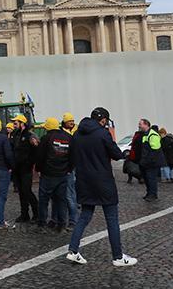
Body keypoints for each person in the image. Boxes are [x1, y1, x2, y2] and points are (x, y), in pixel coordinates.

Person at [66, 107, 137, 267]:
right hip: (103, 180)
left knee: (84, 215)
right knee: (111, 218)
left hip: (84, 180)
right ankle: (118, 257)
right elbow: (117, 154)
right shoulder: (102, 133)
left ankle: (73, 250)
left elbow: (71, 156)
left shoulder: (77, 134)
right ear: (103, 120)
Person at [35, 118, 73, 232]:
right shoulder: (68, 138)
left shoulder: (46, 138)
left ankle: (42, 224)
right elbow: (73, 156)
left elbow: (40, 156)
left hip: (48, 174)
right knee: (61, 200)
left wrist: (39, 169)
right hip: (63, 174)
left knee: (44, 200)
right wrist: (69, 169)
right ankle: (61, 223)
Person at [12, 115, 39, 223]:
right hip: (17, 168)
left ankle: (36, 214)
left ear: (22, 123)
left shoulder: (29, 135)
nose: (14, 125)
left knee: (27, 191)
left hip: (26, 168)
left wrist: (30, 163)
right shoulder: (15, 134)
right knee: (21, 193)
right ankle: (24, 214)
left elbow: (36, 150)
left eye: (15, 123)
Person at [137, 119, 164, 202]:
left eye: (140, 124)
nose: (139, 126)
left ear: (146, 124)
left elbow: (155, 150)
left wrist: (147, 161)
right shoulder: (145, 134)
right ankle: (149, 193)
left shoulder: (153, 135)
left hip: (152, 162)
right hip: (146, 162)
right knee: (147, 179)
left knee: (151, 179)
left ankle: (153, 194)